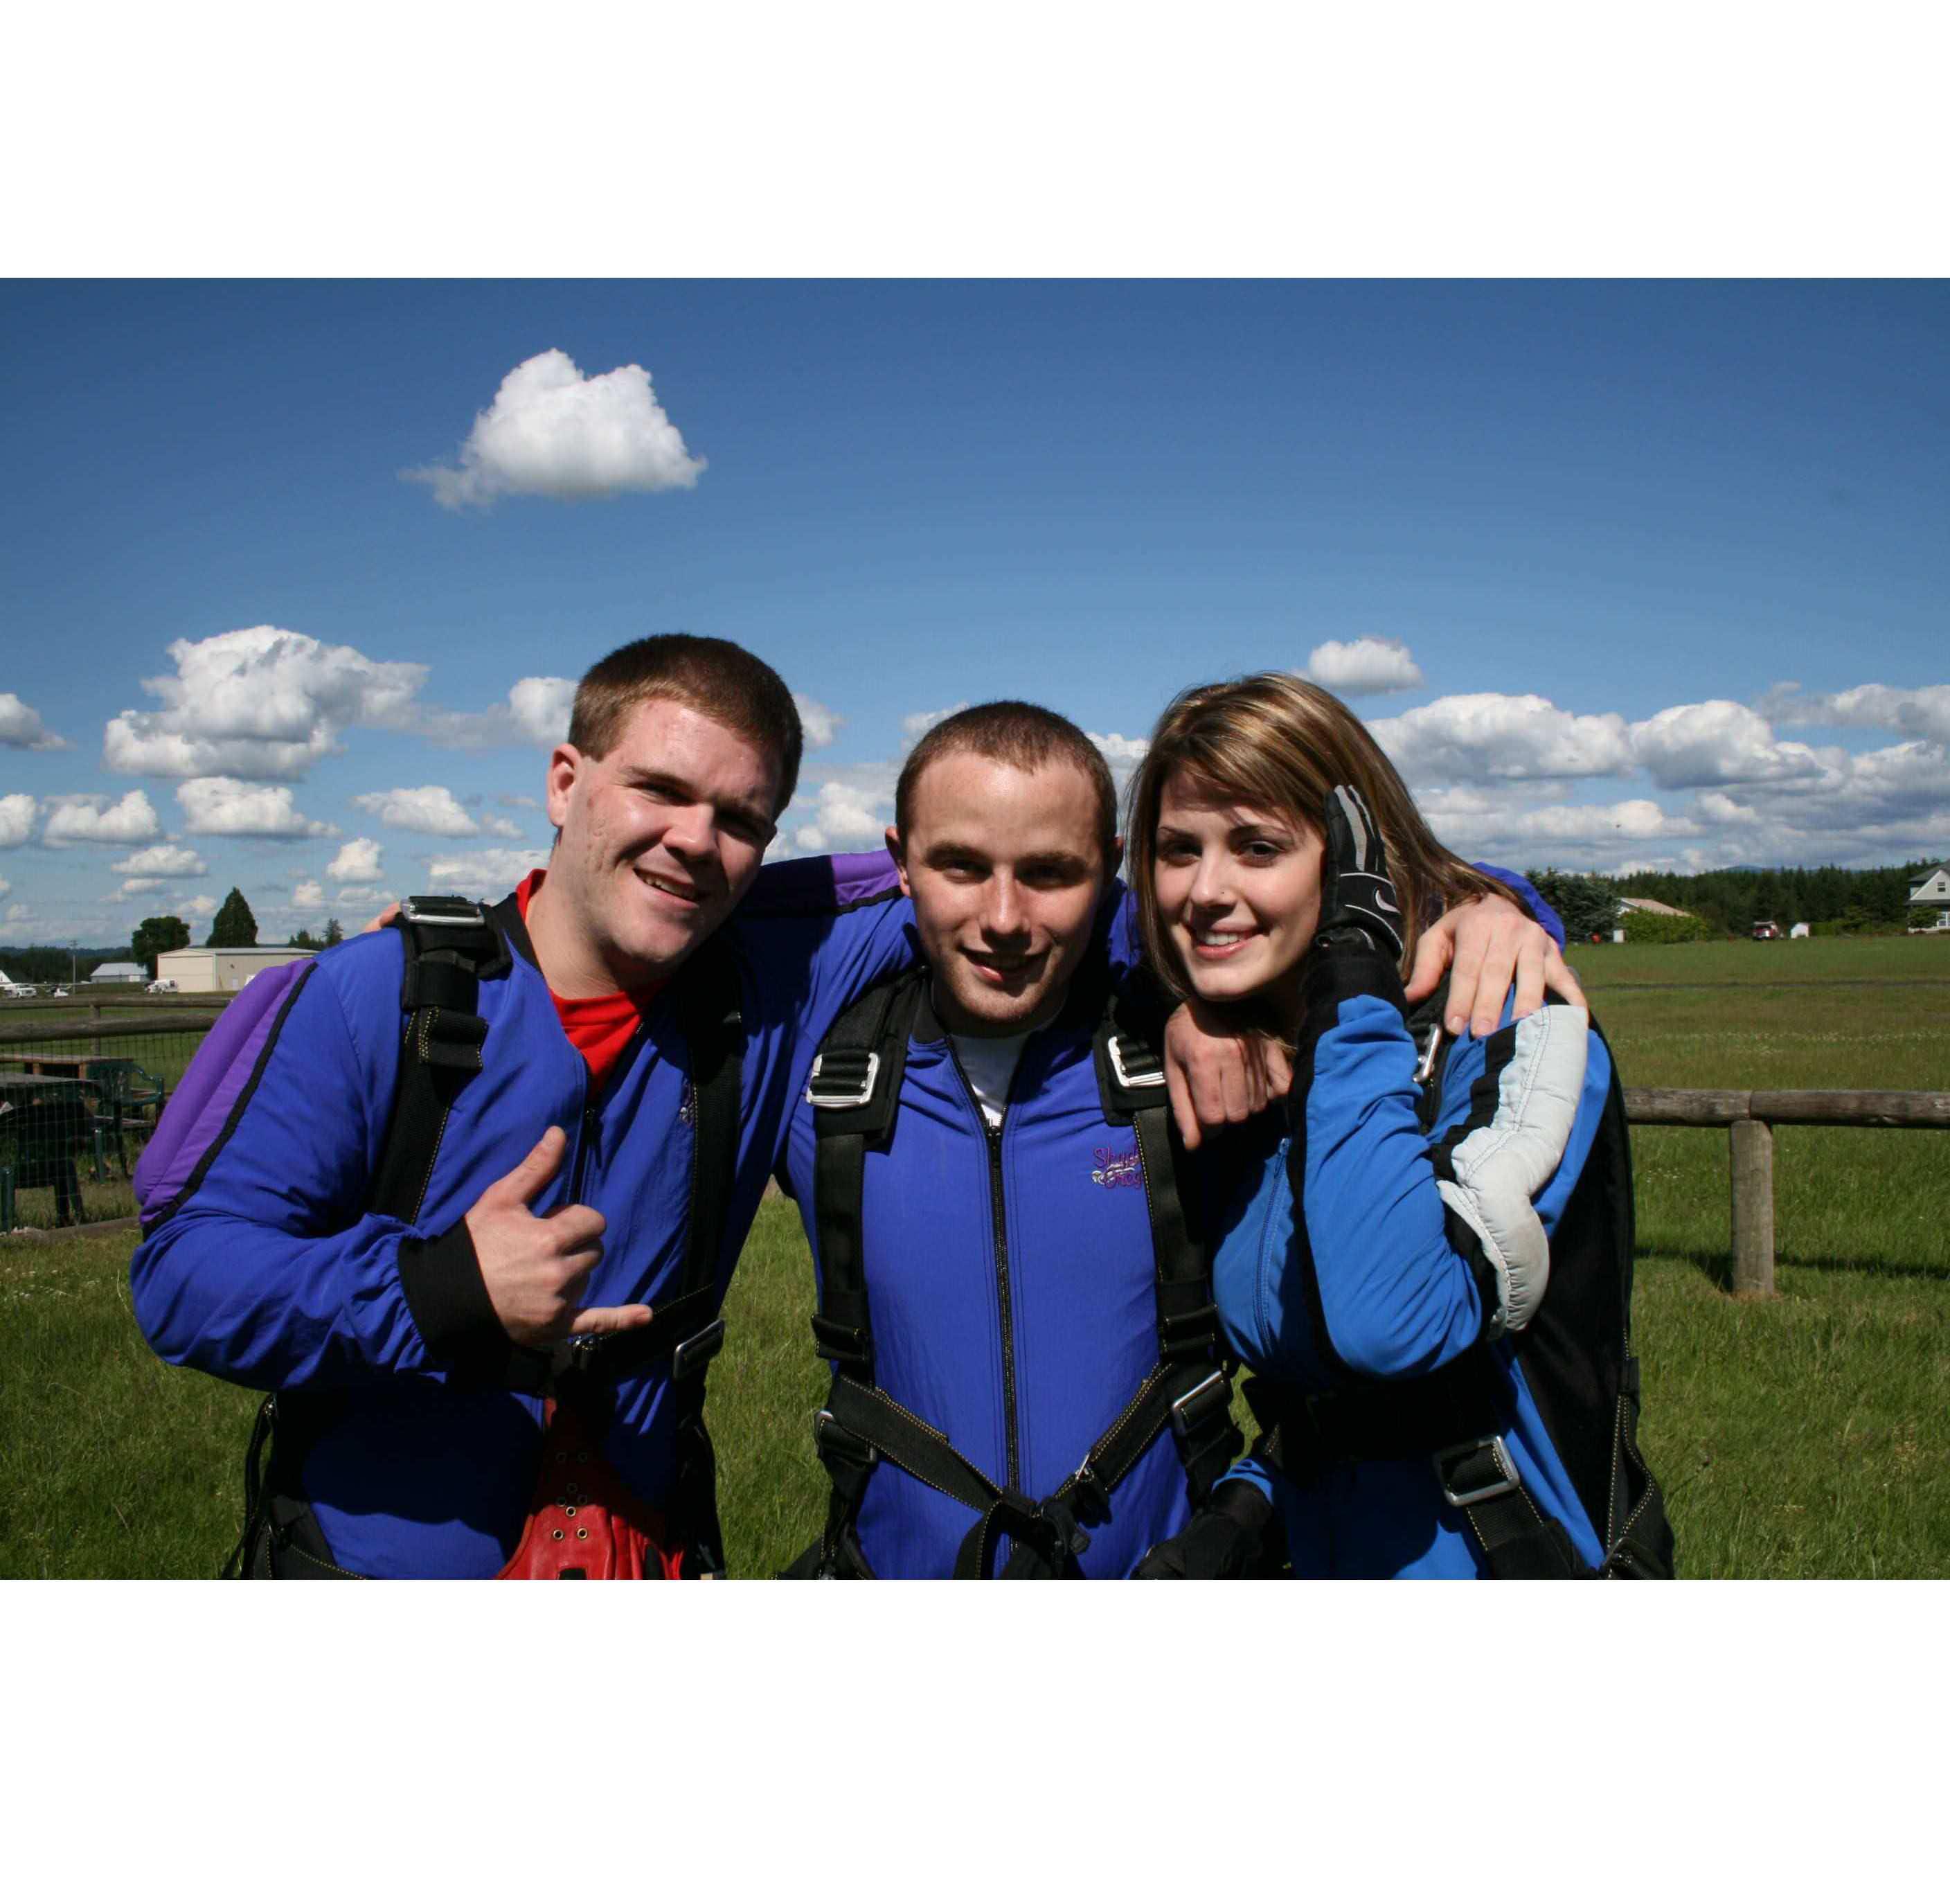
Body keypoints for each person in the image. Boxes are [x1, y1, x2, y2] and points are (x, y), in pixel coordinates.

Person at [132, 634, 924, 1578]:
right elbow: (181, 1277)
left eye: (742, 820)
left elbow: (998, 876)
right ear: (562, 782)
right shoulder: (382, 1001)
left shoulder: (758, 995)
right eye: (659, 791)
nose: (695, 840)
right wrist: (437, 1292)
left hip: (647, 1547)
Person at [776, 701, 1586, 1578]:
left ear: (1109, 874)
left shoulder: (1191, 1066)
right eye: (960, 866)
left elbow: (1303, 875)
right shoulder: (810, 1060)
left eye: (1051, 871)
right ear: (899, 863)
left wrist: (1487, 903)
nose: (1003, 916)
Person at [1124, 673, 1672, 1578]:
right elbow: (998, 898)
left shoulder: (1514, 1026)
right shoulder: (1265, 1051)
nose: (1206, 890)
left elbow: (1393, 1322)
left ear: (1353, 864)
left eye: (1258, 848)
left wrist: (1353, 975)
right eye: (1178, 851)